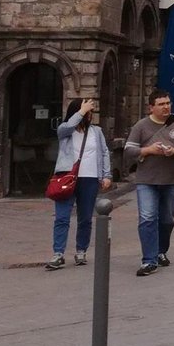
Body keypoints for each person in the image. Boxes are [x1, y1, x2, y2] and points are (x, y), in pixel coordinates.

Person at [124, 89, 174, 276]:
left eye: (168, 103)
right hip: (146, 180)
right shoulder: (141, 126)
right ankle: (149, 260)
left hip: (172, 180)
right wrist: (148, 150)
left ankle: (160, 250)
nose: (166, 107)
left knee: (166, 220)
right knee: (147, 218)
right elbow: (129, 150)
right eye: (161, 104)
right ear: (151, 107)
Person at [46, 98, 113, 270]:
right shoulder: (65, 130)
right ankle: (58, 253)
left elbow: (104, 153)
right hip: (66, 178)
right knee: (62, 217)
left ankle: (81, 250)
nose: (90, 115)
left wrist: (106, 175)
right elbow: (68, 126)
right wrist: (81, 111)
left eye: (91, 111)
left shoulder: (96, 132)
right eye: (88, 111)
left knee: (85, 218)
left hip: (89, 178)